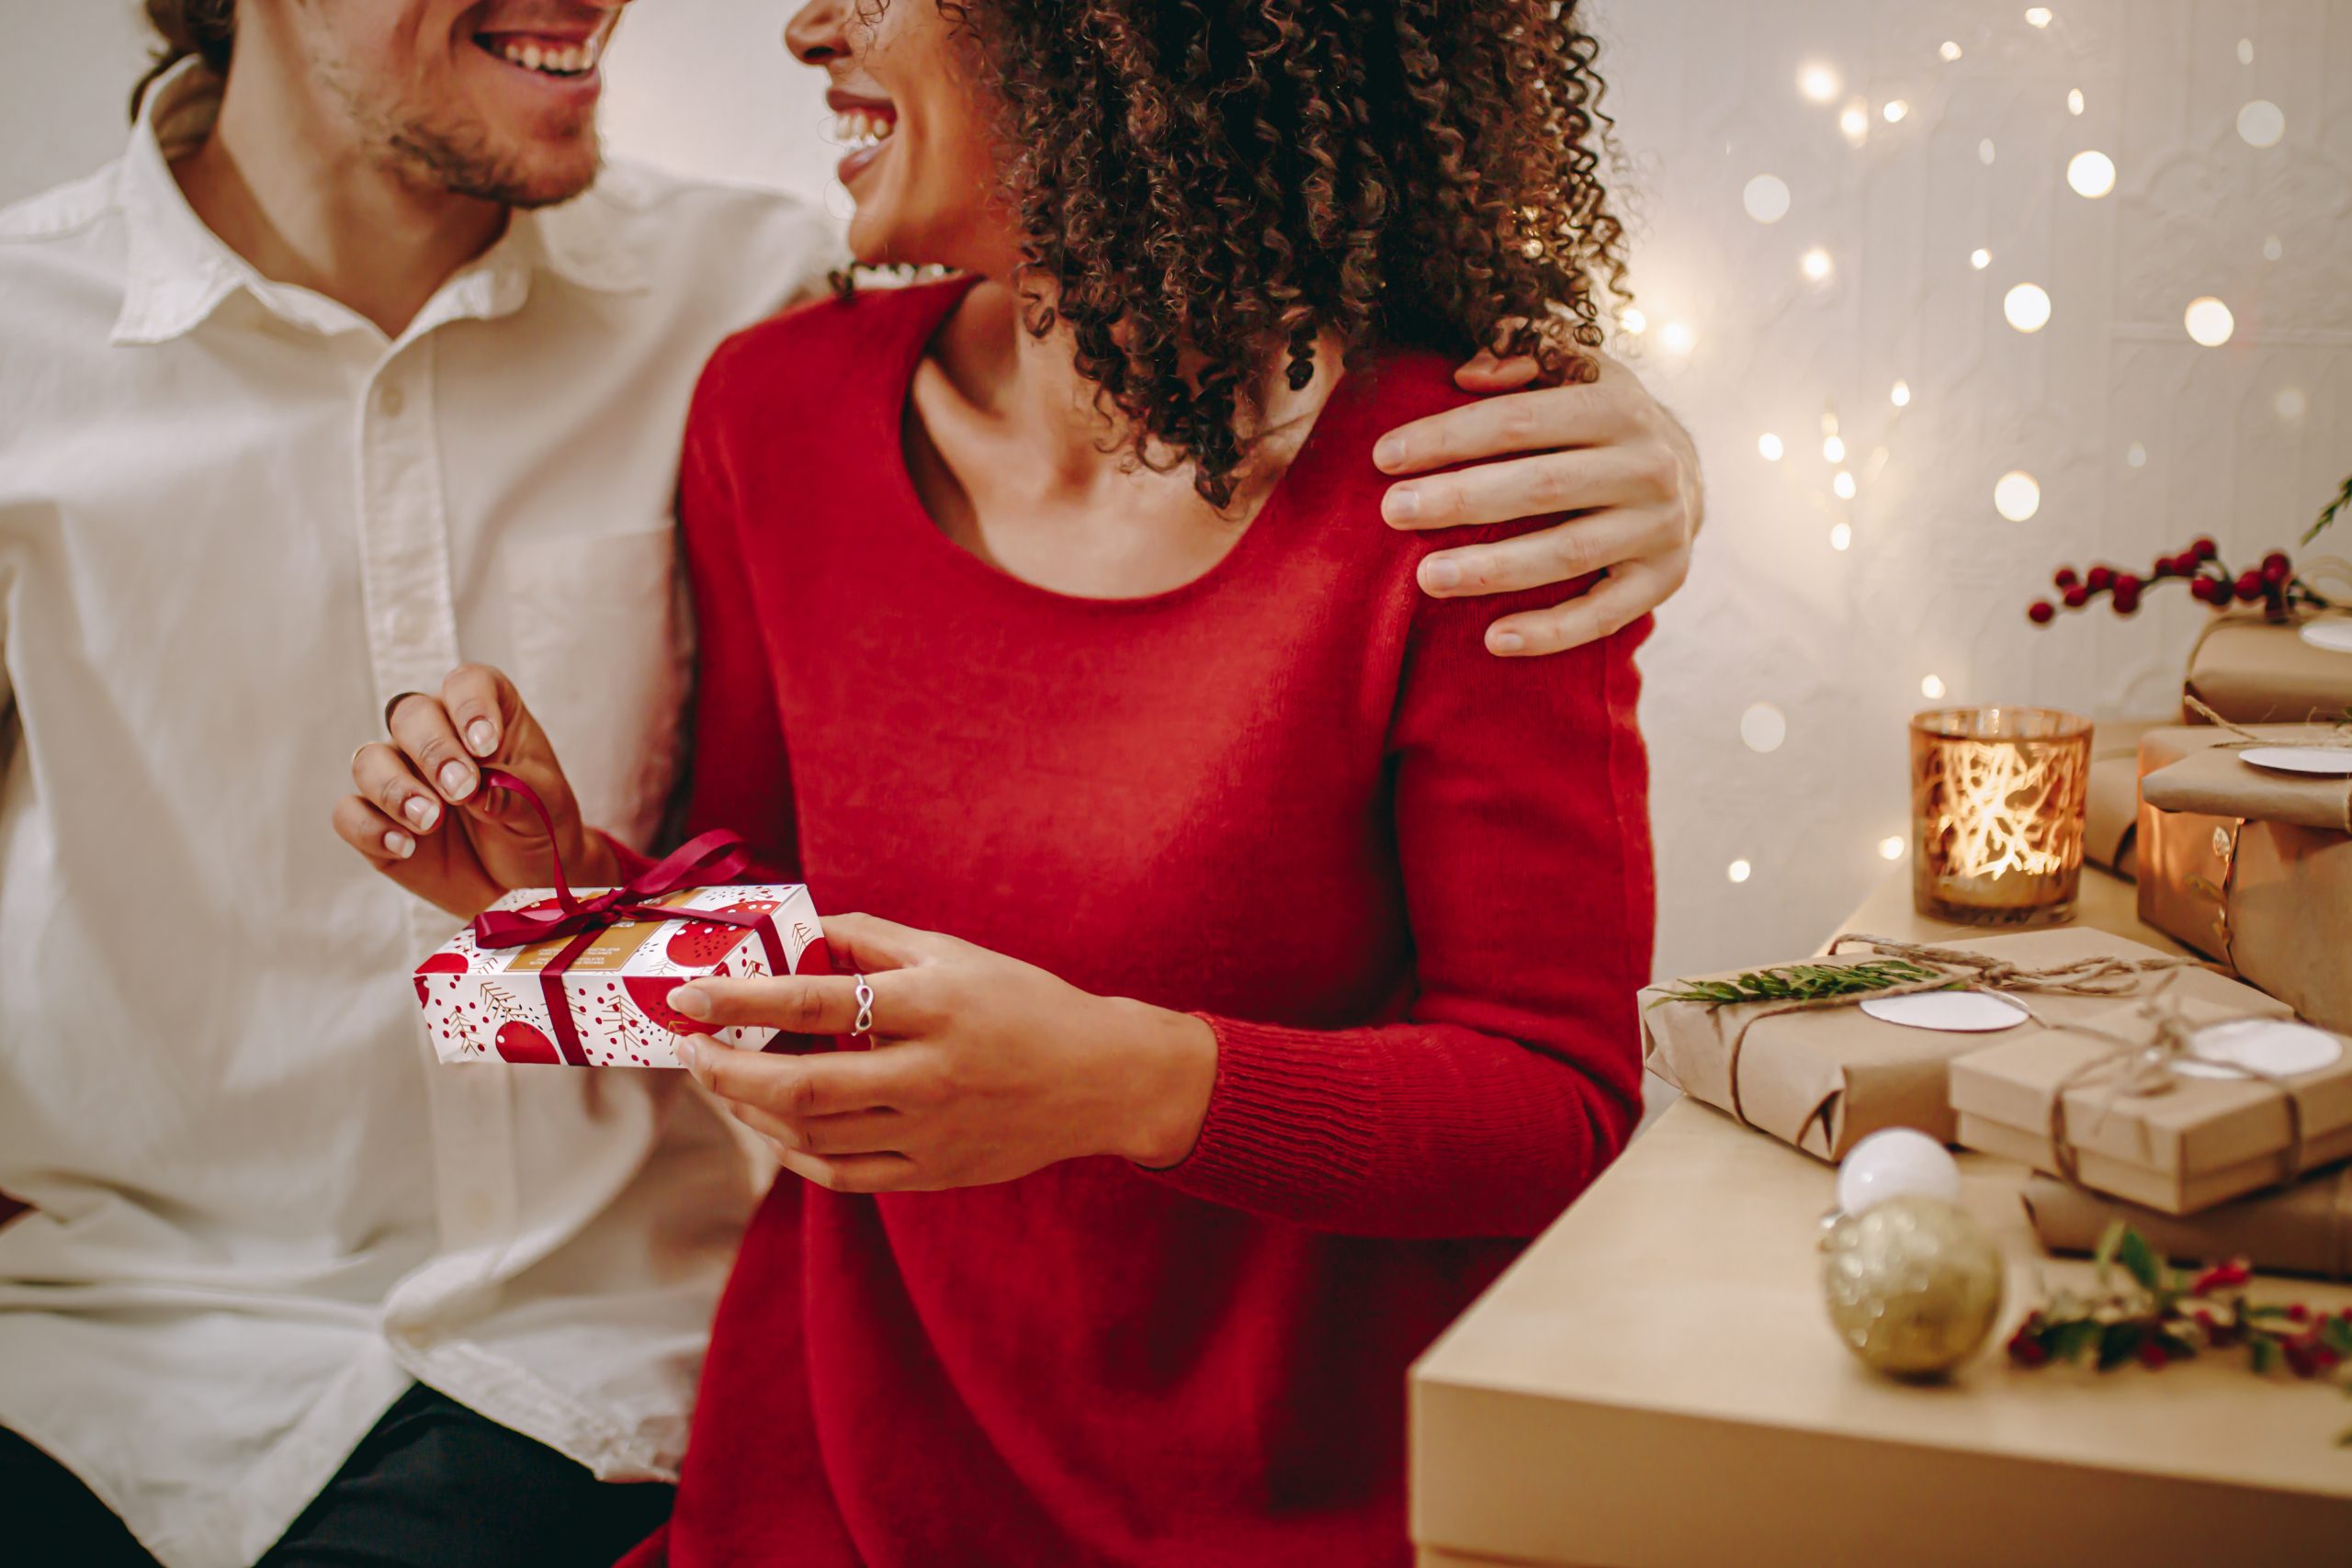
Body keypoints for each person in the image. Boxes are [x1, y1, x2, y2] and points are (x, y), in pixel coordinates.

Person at [0, 1, 1700, 1564]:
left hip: (1279, 1492)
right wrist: (538, 919)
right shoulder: (779, 397)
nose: (800, 22)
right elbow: (763, 966)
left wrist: (1124, 1083)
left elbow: (1558, 1103)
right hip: (797, 1466)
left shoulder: (1477, 482)